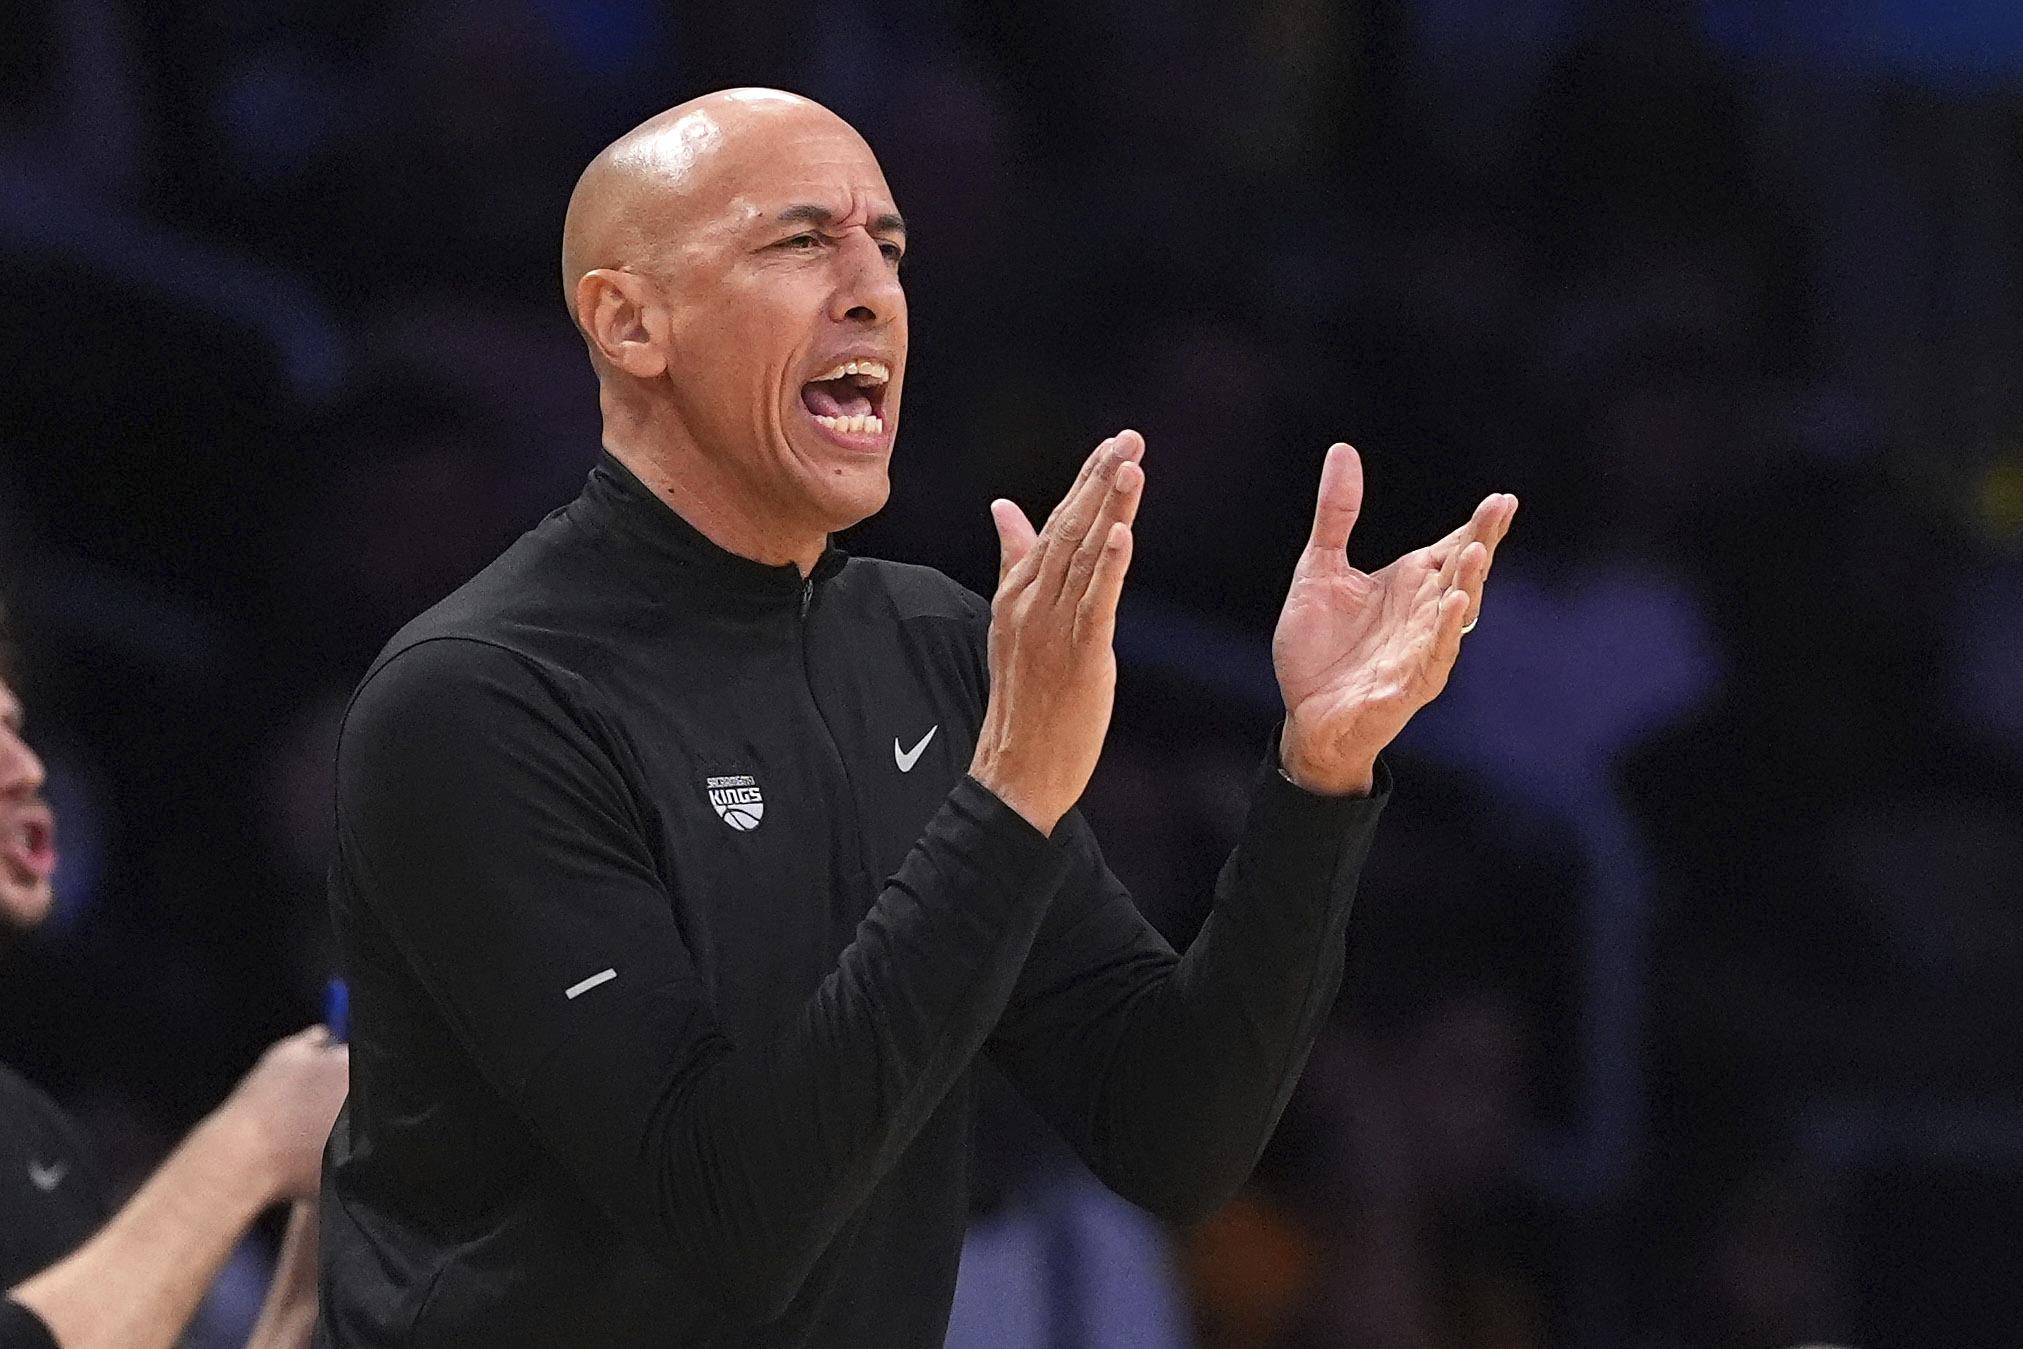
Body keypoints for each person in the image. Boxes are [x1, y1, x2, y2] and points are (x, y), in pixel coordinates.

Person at [318, 87, 1516, 1348]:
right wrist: (1002, 800)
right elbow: (729, 1213)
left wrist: (1315, 778)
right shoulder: (474, 699)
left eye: (887, 248)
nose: (871, 289)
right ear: (629, 321)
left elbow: (1171, 1132)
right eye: (799, 242)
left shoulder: (931, 648)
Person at [0, 623, 351, 1349]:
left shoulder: (30, 1130)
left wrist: (315, 1265)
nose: (26, 767)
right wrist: (253, 1141)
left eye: (16, 722)